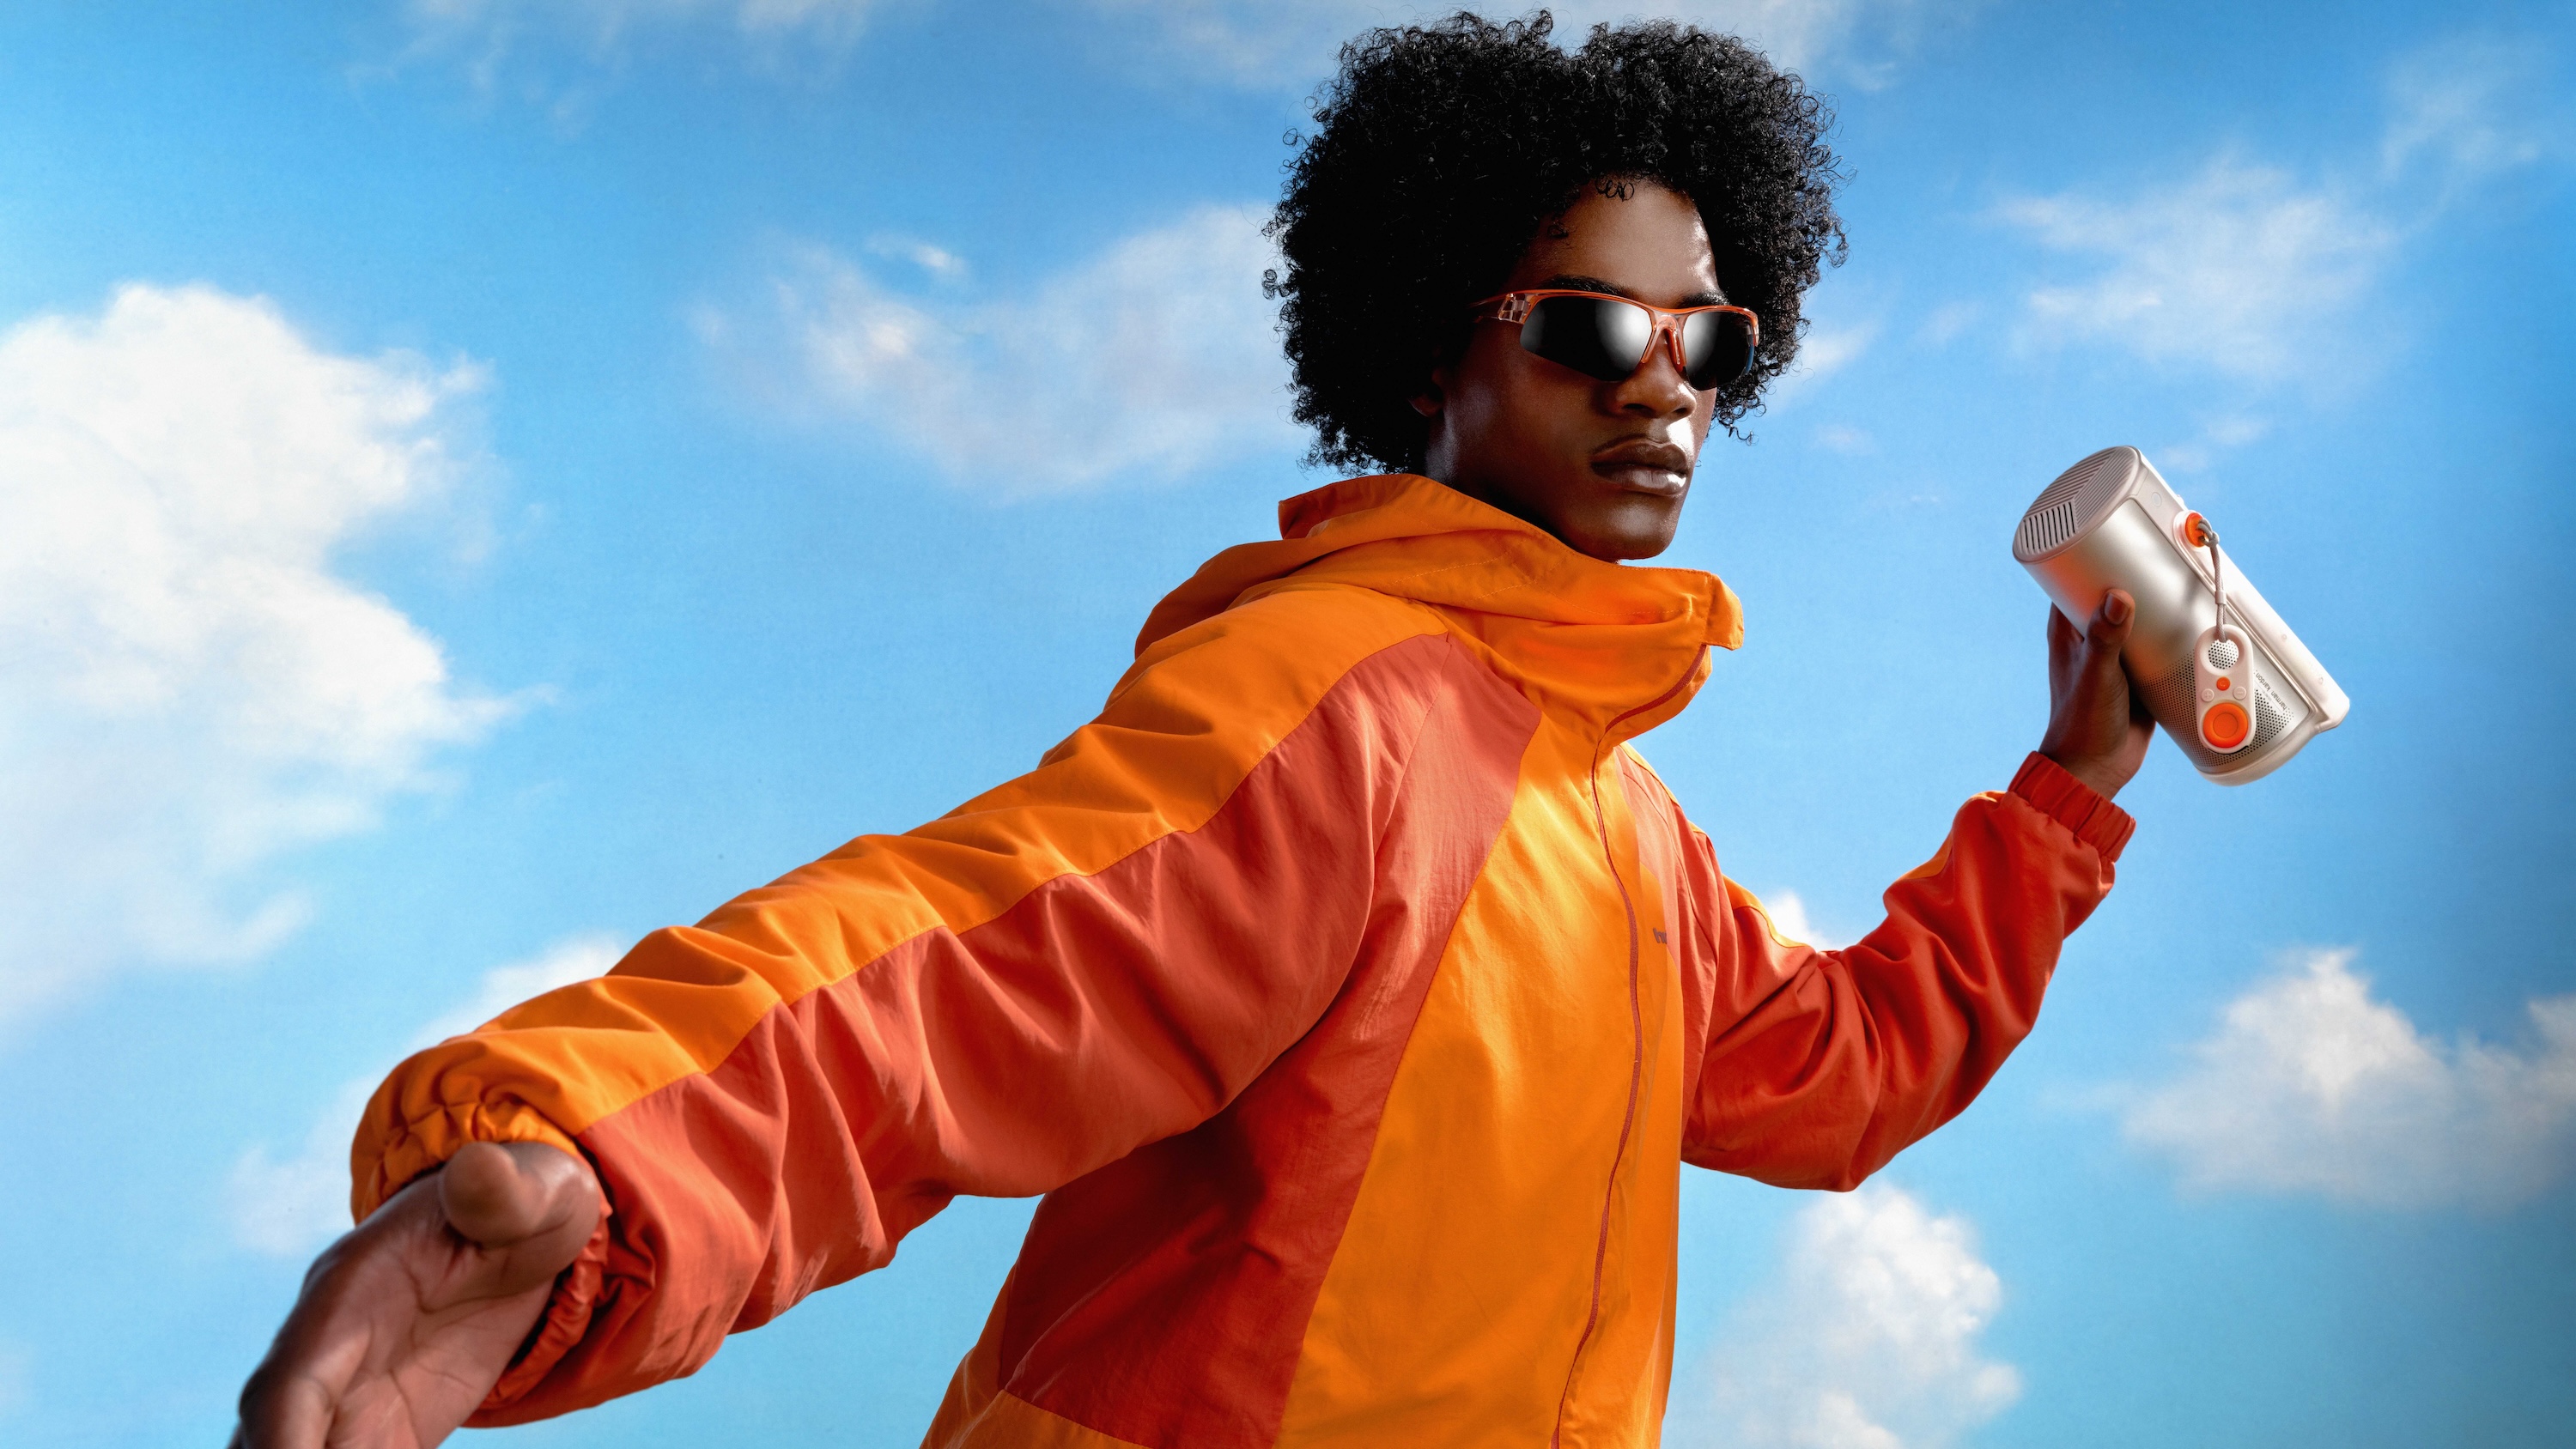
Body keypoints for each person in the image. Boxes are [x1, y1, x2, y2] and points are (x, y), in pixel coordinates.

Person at [234, 14, 2151, 1448]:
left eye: (1709, 341)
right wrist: (591, 1169)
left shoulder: (1624, 826)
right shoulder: (1345, 705)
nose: (1663, 388)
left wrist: (2067, 796)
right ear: (1432, 347)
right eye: (1587, 327)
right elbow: (954, 978)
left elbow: (1841, 1072)